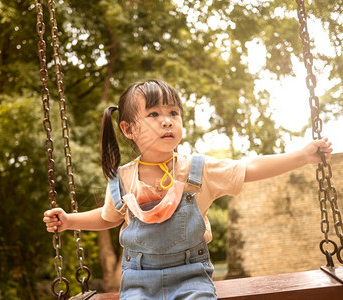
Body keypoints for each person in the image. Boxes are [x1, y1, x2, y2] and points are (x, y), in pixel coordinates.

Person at [43, 79, 333, 299]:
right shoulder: (123, 178)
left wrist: (302, 156)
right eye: (153, 114)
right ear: (128, 129)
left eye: (173, 112)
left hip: (191, 274)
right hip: (138, 279)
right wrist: (69, 221)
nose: (167, 120)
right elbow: (109, 218)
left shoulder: (198, 169)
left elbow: (250, 168)